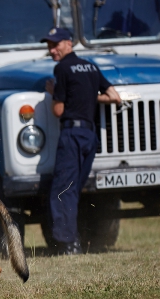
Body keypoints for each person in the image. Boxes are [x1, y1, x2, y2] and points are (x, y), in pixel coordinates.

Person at [42, 27, 122, 255]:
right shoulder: (91, 67)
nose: (52, 50)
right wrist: (89, 97)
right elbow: (114, 97)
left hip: (72, 136)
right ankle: (74, 239)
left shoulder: (62, 69)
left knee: (62, 189)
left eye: (56, 45)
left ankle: (68, 244)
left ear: (69, 43)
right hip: (89, 136)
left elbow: (58, 110)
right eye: (49, 45)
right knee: (74, 189)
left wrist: (53, 92)